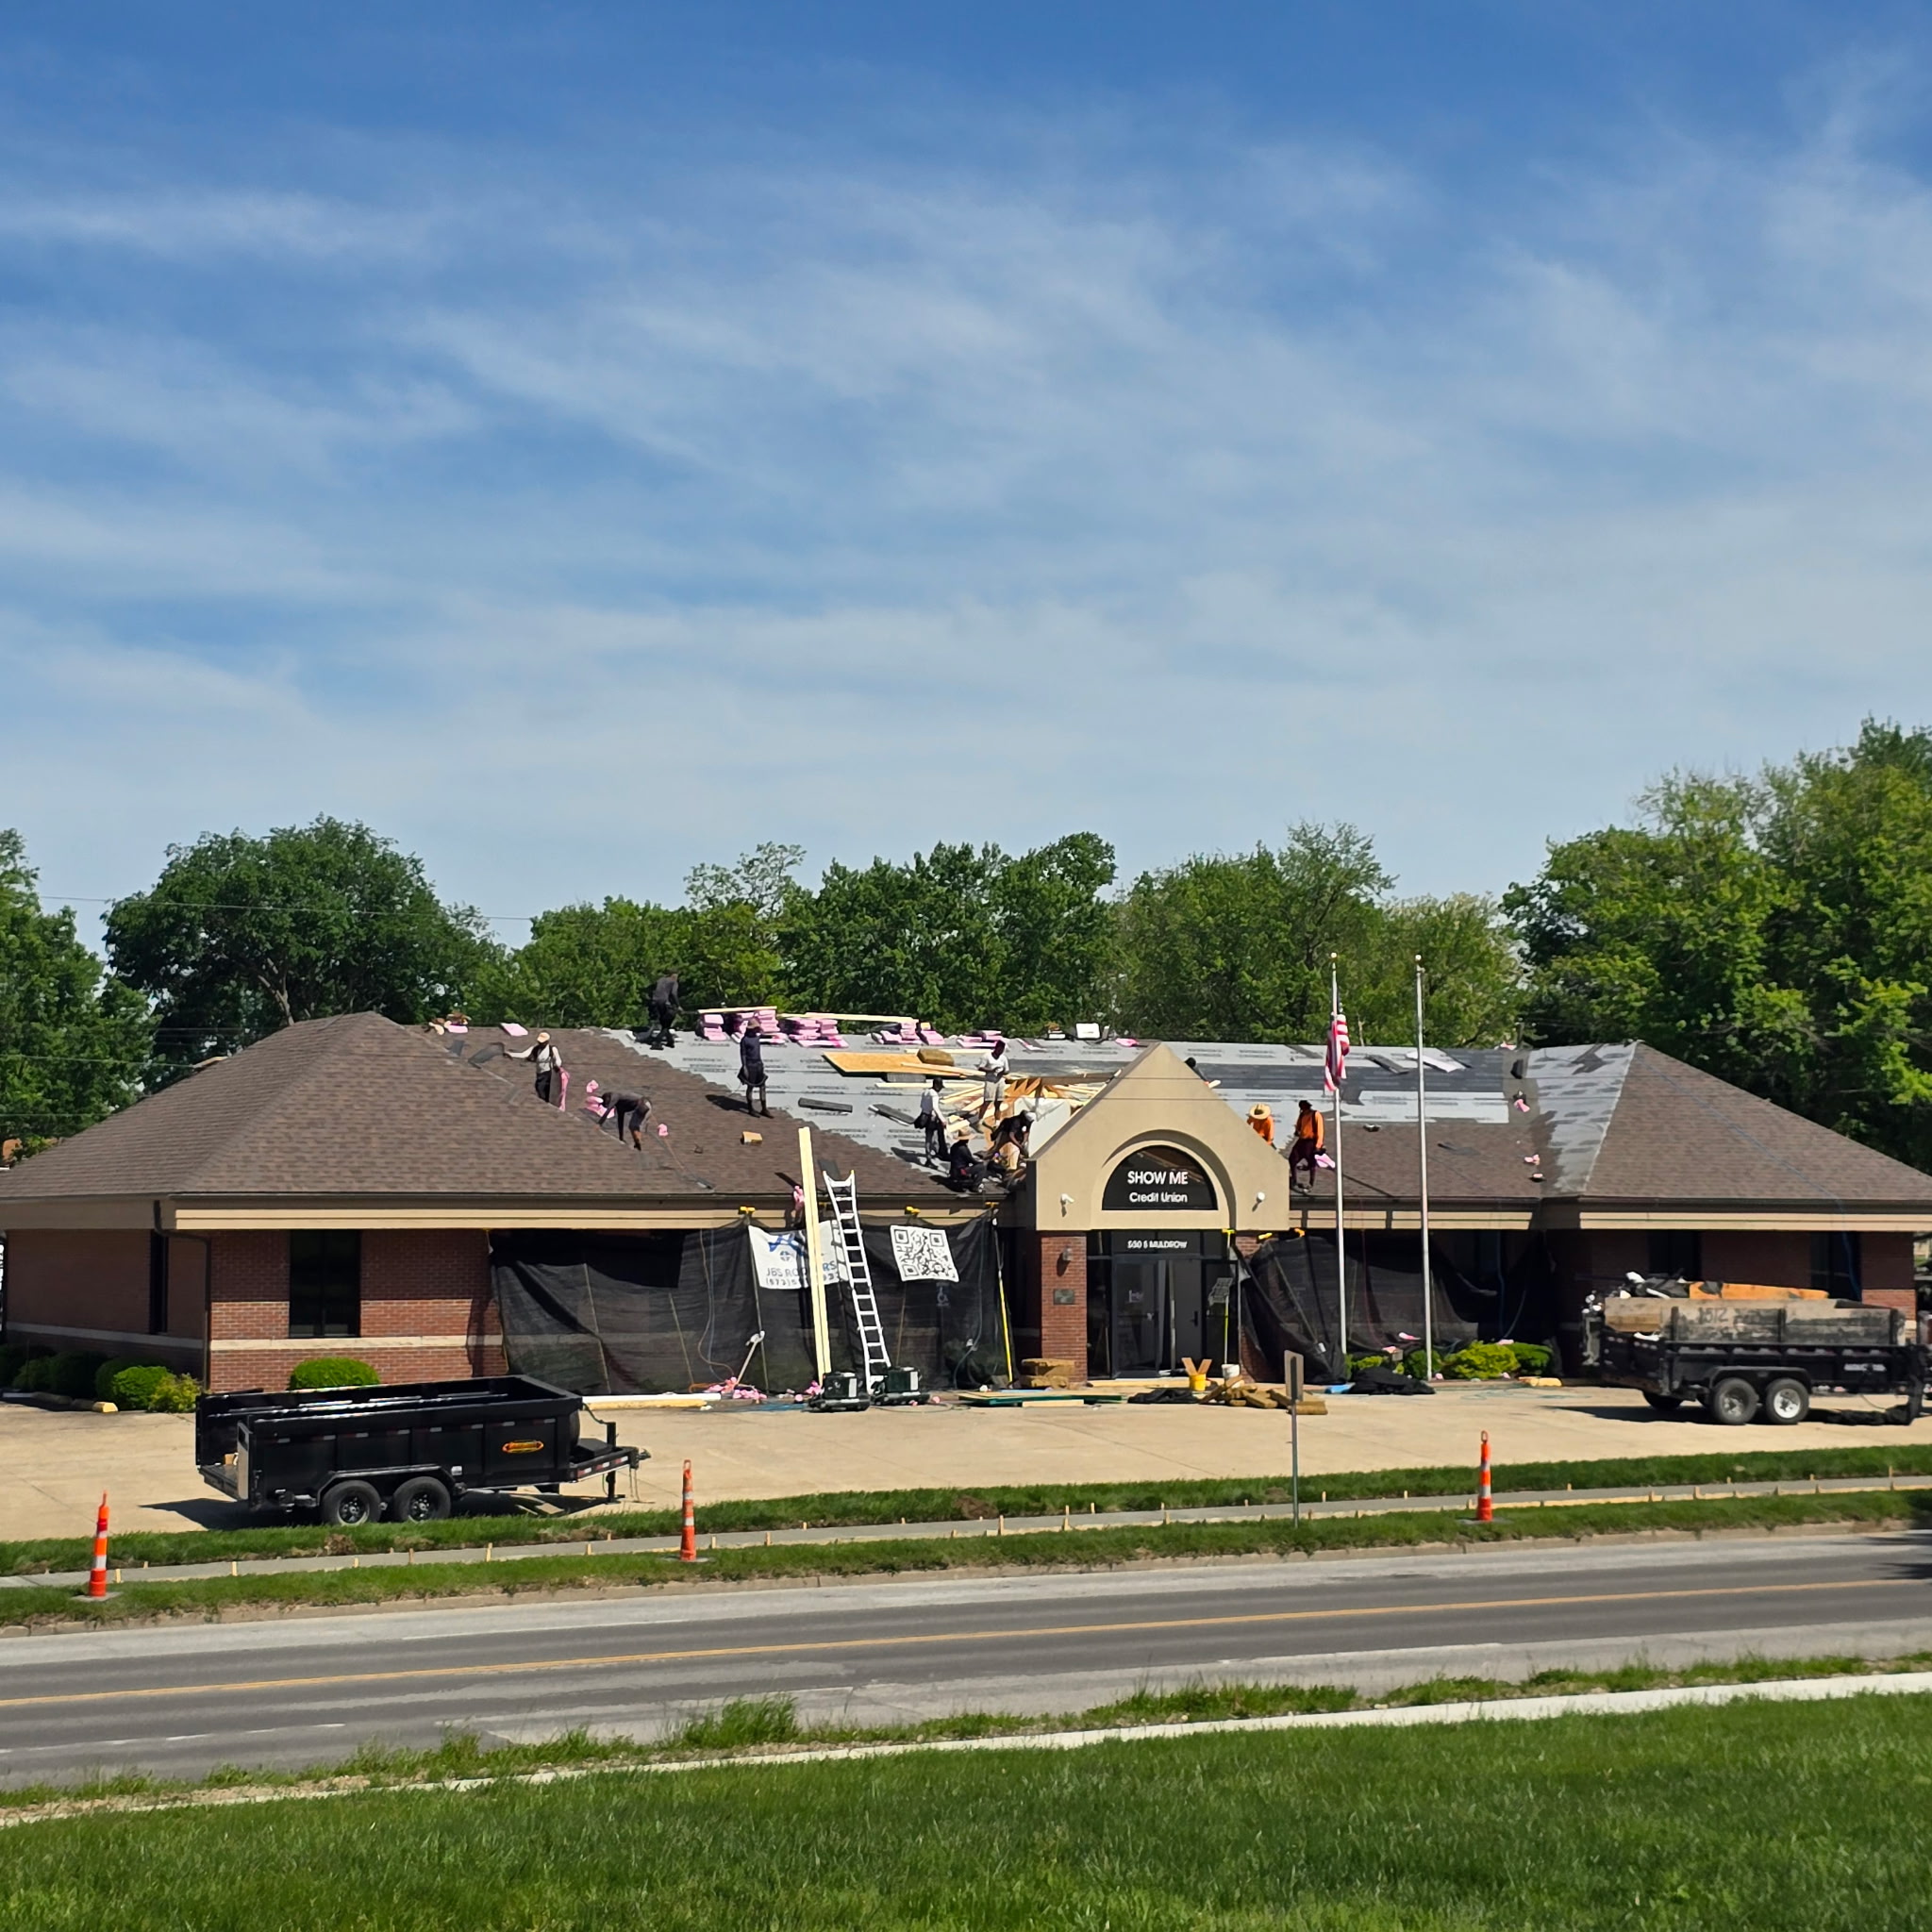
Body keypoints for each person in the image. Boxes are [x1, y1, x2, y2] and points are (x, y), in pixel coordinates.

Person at [503, 1030, 562, 1104]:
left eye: (542, 1042)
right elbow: (524, 1054)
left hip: (547, 1074)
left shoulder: (552, 1049)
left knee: (542, 1090)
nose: (540, 1044)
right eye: (540, 1042)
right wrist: (511, 1054)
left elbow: (558, 1060)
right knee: (538, 1088)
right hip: (539, 1074)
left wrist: (557, 1065)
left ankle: (545, 1104)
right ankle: (544, 1103)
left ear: (547, 1042)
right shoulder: (535, 1048)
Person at [738, 1015, 769, 1116]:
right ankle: (750, 1108)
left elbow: (765, 1034)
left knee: (762, 1086)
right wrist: (744, 1067)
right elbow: (743, 1054)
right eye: (755, 1028)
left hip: (758, 1064)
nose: (756, 1030)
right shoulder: (745, 1040)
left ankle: (764, 1108)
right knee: (750, 1087)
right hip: (750, 1065)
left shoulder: (757, 1037)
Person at [1288, 1099, 1324, 1185]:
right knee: (1292, 1159)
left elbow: (1320, 1130)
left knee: (1311, 1163)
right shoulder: (1302, 1115)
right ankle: (1294, 1179)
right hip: (1302, 1140)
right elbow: (1298, 1126)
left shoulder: (1315, 1114)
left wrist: (1318, 1145)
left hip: (1311, 1141)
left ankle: (1311, 1182)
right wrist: (1297, 1131)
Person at [915, 1076, 948, 1165]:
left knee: (930, 1137)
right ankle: (929, 1157)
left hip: (924, 1115)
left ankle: (932, 1153)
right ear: (937, 1085)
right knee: (931, 1137)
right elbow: (935, 1108)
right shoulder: (934, 1095)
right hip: (931, 1118)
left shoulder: (926, 1092)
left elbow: (921, 1105)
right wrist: (943, 1119)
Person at [976, 1035, 1008, 1124]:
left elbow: (1007, 1070)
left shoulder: (1003, 1058)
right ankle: (980, 1120)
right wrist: (991, 1070)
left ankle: (997, 1122)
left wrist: (1002, 1072)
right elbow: (980, 1067)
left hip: (1000, 1080)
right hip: (990, 1080)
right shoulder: (987, 1056)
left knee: (998, 1102)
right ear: (996, 1048)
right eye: (999, 1049)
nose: (1000, 1052)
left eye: (1002, 1050)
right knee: (987, 1101)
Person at [947, 1123, 984, 1191]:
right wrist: (979, 1161)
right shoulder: (963, 1148)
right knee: (982, 1167)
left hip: (954, 1169)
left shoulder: (954, 1146)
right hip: (961, 1171)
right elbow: (971, 1160)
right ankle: (976, 1186)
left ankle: (971, 1180)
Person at [647, 973, 680, 1048]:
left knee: (664, 1023)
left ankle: (670, 1041)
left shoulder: (660, 980)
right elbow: (674, 993)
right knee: (667, 1024)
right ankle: (657, 1042)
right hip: (665, 1003)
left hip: (655, 1002)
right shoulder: (673, 982)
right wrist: (678, 1005)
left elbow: (651, 989)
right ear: (674, 976)